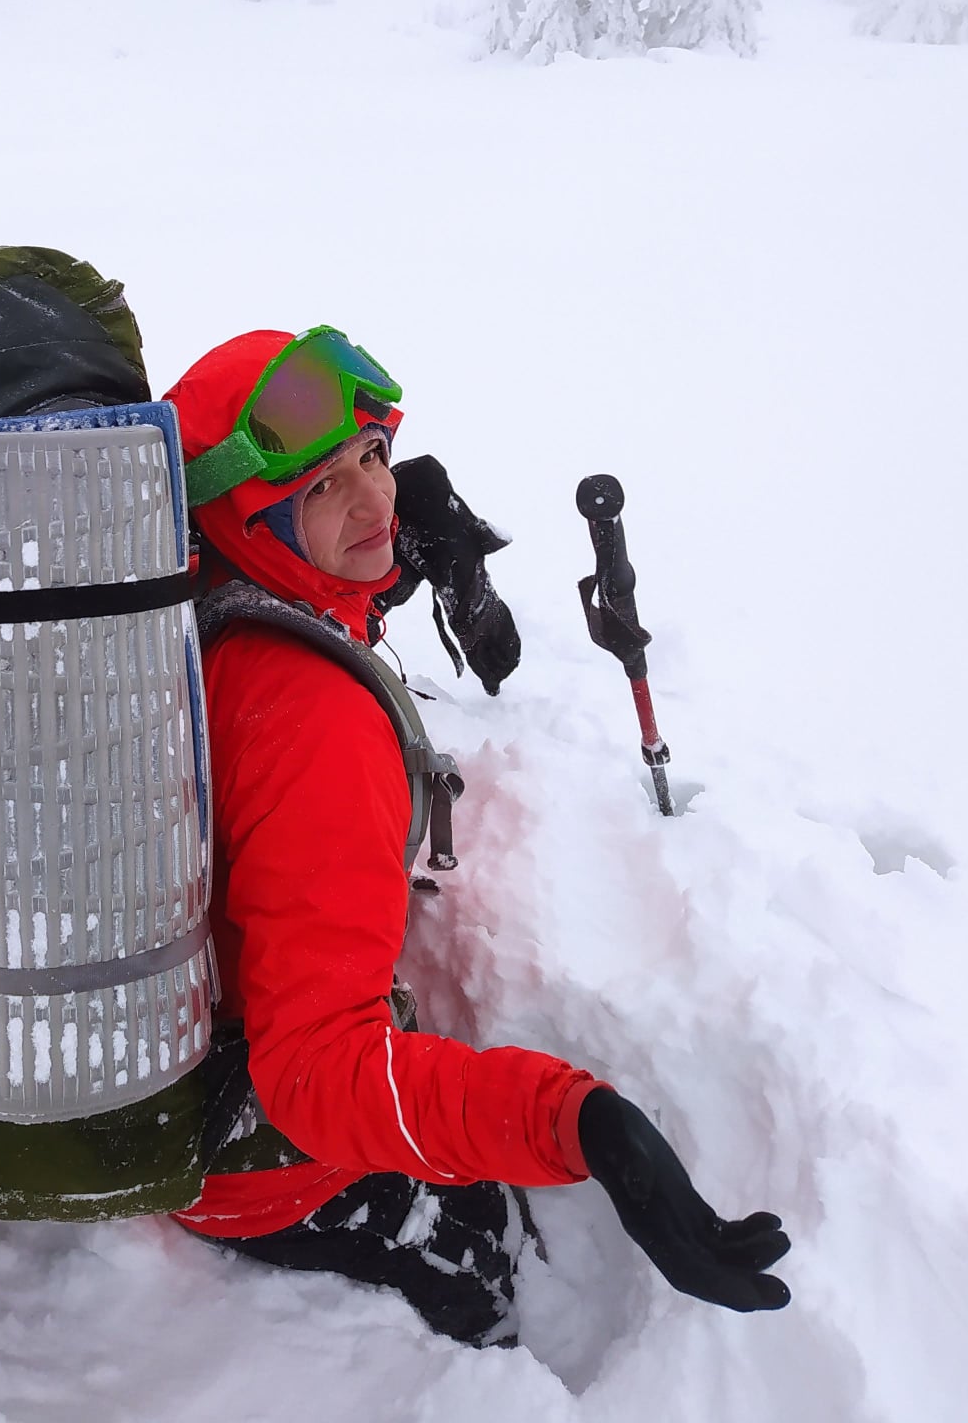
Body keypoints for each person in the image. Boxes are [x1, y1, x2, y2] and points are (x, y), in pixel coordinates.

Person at [164, 326, 792, 1347]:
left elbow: (325, 536)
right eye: (326, 489)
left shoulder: (205, 585)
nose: (378, 501)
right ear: (251, 513)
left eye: (373, 456)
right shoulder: (313, 726)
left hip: (203, 1046)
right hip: (262, 1164)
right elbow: (316, 1074)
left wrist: (387, 549)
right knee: (479, 1236)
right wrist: (580, 1121)